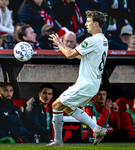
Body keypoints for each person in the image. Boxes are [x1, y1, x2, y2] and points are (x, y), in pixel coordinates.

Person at [47, 10, 109, 146]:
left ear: (96, 24)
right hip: (93, 84)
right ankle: (97, 128)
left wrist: (59, 43)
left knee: (56, 105)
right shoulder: (104, 40)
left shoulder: (91, 40)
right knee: (68, 108)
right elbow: (82, 56)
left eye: (88, 22)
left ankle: (58, 141)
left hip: (85, 84)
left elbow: (70, 54)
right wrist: (67, 50)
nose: (86, 24)